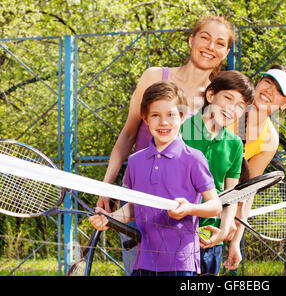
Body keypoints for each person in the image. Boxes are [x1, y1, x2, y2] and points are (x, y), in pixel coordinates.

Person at [95, 15, 235, 274]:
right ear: (191, 39)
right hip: (140, 210)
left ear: (226, 51)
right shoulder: (154, 76)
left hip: (182, 224)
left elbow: (225, 168)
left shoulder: (215, 100)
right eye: (204, 37)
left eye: (219, 43)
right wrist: (106, 188)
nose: (210, 47)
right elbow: (127, 135)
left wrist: (226, 224)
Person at [89, 81, 222, 276]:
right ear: (145, 119)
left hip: (180, 264)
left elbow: (215, 206)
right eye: (155, 115)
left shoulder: (193, 158)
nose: (164, 122)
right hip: (144, 262)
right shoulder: (135, 161)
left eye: (171, 115)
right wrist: (109, 219)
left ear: (183, 117)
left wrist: (189, 209)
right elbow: (136, 207)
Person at [222, 64, 286, 271]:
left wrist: (236, 240)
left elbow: (247, 191)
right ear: (258, 83)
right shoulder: (228, 109)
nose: (269, 90)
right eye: (267, 81)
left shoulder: (270, 139)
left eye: (279, 90)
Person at [180, 70, 255, 275]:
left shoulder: (235, 143)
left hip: (210, 241)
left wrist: (223, 229)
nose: (232, 109)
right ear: (211, 95)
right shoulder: (179, 128)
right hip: (174, 237)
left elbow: (231, 194)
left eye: (240, 106)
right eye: (228, 98)